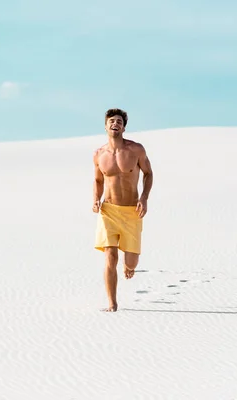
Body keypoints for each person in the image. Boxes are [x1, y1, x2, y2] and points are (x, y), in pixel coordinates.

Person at [93, 108, 154, 312]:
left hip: (131, 211)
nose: (115, 123)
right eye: (111, 121)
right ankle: (112, 303)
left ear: (124, 127)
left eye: (119, 121)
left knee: (131, 261)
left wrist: (144, 198)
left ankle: (130, 267)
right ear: (105, 126)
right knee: (110, 256)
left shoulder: (136, 150)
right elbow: (98, 179)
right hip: (108, 211)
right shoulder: (99, 154)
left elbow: (148, 173)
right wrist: (95, 199)